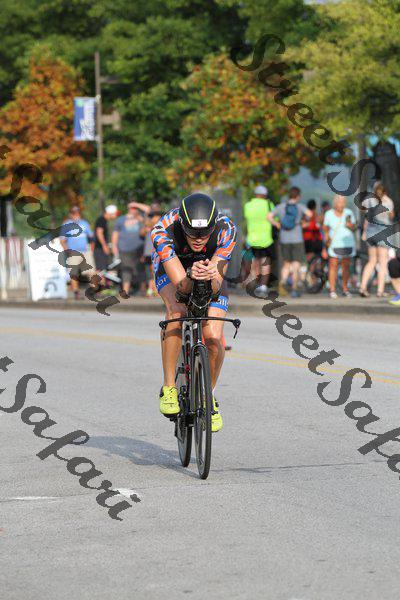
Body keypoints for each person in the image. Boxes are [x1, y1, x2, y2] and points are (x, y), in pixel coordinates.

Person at [151, 192, 237, 432]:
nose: (198, 240)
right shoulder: (163, 230)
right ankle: (169, 386)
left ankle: (208, 396)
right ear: (182, 225)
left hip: (210, 266)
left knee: (213, 337)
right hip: (175, 265)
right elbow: (181, 287)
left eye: (205, 234)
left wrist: (209, 276)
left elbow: (216, 285)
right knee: (177, 312)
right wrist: (190, 276)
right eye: (192, 233)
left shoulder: (226, 229)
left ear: (213, 226)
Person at [268, 186, 311, 298]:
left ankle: (282, 283)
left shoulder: (281, 207)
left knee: (286, 264)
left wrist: (276, 223)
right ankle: (294, 289)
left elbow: (269, 216)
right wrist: (304, 222)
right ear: (298, 196)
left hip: (284, 238)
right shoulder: (299, 206)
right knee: (296, 264)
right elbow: (310, 214)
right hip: (297, 239)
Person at [359, 181, 395, 298]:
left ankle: (362, 287)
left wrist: (364, 232)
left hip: (370, 233)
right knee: (383, 263)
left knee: (372, 261)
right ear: (385, 191)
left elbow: (365, 213)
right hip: (382, 234)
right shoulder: (388, 201)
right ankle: (380, 291)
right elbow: (391, 216)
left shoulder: (370, 200)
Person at [111, 200, 150, 298]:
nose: (134, 209)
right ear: (128, 208)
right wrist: (114, 248)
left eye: (135, 208)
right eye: (132, 207)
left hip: (140, 249)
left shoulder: (141, 218)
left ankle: (143, 291)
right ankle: (126, 291)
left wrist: (136, 204)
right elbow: (115, 235)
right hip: (124, 249)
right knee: (126, 270)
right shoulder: (121, 219)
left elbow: (149, 210)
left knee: (141, 270)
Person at [243, 184, 275, 298]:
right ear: (265, 195)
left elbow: (246, 217)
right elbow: (275, 219)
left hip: (252, 239)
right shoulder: (269, 205)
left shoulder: (248, 205)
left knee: (254, 262)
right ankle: (263, 286)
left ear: (255, 194)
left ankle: (254, 283)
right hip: (266, 239)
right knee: (265, 262)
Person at [323, 195, 356, 298]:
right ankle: (332, 289)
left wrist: (350, 226)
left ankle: (345, 289)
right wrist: (325, 245)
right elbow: (325, 229)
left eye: (343, 202)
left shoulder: (348, 212)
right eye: (339, 202)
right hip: (334, 243)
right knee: (333, 266)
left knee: (346, 266)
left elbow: (354, 227)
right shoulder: (328, 214)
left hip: (347, 243)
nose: (341, 205)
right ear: (335, 203)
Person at [60, 205, 94, 300]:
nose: (76, 215)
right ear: (70, 214)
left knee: (91, 271)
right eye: (74, 213)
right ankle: (76, 292)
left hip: (85, 251)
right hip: (73, 252)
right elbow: (62, 240)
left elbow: (91, 237)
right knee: (73, 273)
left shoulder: (84, 223)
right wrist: (68, 250)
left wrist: (91, 249)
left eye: (77, 213)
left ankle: (93, 291)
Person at [141, 203, 163, 297]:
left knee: (155, 271)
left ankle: (154, 289)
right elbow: (142, 233)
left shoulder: (161, 221)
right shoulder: (148, 222)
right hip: (148, 250)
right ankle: (152, 289)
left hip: (157, 250)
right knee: (151, 271)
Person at [93, 205, 119, 277]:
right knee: (101, 270)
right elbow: (99, 233)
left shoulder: (103, 220)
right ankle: (98, 284)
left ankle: (100, 283)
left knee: (103, 270)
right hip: (99, 249)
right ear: (111, 213)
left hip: (100, 248)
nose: (116, 216)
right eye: (115, 214)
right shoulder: (102, 220)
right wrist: (104, 246)